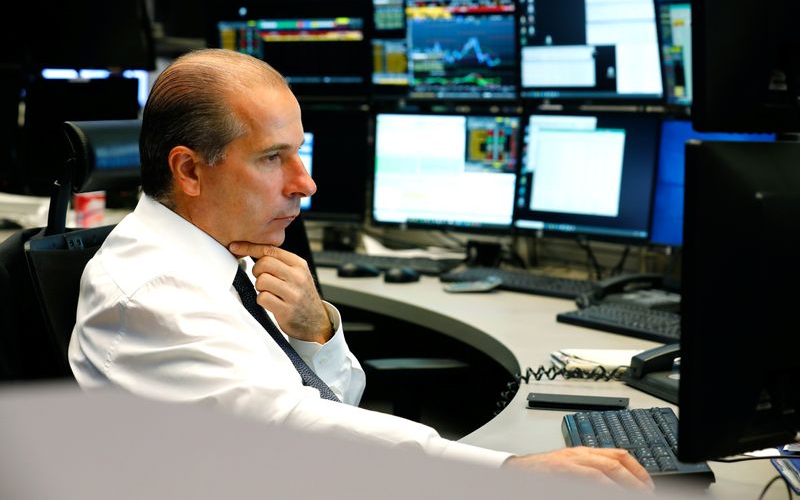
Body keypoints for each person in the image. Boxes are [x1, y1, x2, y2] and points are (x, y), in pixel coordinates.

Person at [68, 48, 653, 491]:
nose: (306, 182)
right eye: (274, 158)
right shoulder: (151, 290)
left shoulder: (223, 253)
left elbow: (337, 403)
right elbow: (288, 427)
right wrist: (507, 470)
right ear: (190, 172)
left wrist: (315, 330)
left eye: (301, 151)